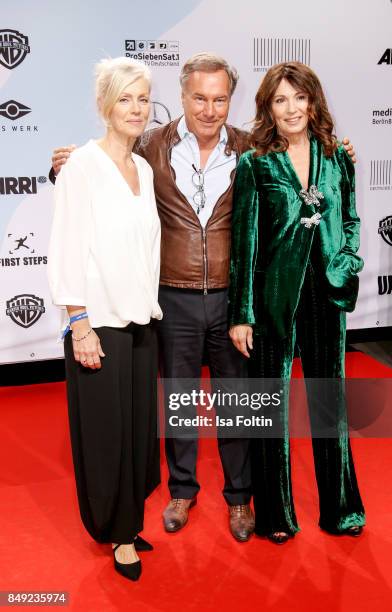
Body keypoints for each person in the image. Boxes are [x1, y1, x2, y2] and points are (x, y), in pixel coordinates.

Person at [50, 53, 356, 543]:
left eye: (219, 99)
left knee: (238, 401)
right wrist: (63, 165)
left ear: (230, 101)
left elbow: (301, 161)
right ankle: (182, 489)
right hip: (174, 294)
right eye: (199, 98)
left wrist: (340, 151)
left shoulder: (252, 148)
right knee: (179, 399)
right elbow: (104, 174)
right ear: (182, 96)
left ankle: (240, 498)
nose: (209, 109)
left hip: (234, 299)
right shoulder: (150, 144)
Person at [228, 61, 365, 543]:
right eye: (280, 100)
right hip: (273, 299)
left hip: (325, 294)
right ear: (268, 107)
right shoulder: (255, 163)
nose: (291, 109)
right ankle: (276, 516)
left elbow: (350, 219)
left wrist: (345, 263)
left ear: (313, 101)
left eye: (299, 98)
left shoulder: (337, 155)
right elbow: (244, 244)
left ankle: (342, 509)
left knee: (331, 404)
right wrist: (241, 314)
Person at [48, 57, 162, 580]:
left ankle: (129, 519)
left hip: (141, 321)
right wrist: (80, 323)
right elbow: (68, 246)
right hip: (100, 325)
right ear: (104, 105)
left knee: (137, 433)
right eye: (125, 98)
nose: (136, 108)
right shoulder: (82, 166)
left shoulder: (142, 168)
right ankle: (118, 536)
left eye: (142, 98)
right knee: (106, 436)